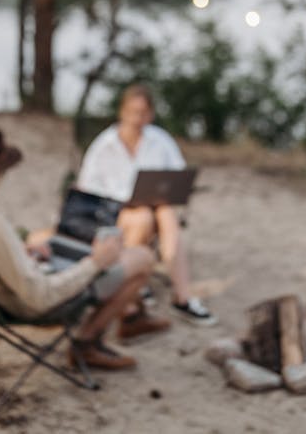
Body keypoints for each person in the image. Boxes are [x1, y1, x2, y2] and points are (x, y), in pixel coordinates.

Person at [0, 126, 169, 370]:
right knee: (142, 258)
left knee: (55, 240)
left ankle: (132, 314)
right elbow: (41, 297)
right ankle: (87, 343)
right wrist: (96, 263)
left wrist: (22, 251)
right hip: (33, 305)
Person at [77, 85, 217, 326]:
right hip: (114, 212)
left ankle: (182, 296)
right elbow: (86, 189)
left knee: (165, 212)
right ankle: (136, 280)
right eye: (133, 112)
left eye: (143, 113)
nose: (137, 119)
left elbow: (178, 176)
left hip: (153, 207)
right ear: (122, 112)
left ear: (151, 114)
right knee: (142, 216)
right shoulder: (104, 145)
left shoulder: (159, 140)